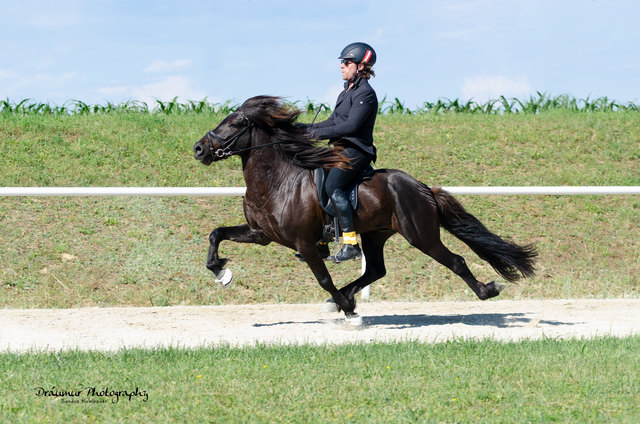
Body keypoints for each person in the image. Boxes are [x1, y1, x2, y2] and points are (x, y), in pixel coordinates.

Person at [307, 42, 378, 263]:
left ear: (360, 66)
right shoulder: (345, 92)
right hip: (341, 148)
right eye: (342, 62)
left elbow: (350, 127)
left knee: (333, 185)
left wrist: (318, 135)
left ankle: (350, 244)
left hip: (357, 150)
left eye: (346, 62)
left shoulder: (365, 94)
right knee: (313, 177)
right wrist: (307, 128)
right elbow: (334, 121)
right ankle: (322, 240)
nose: (342, 66)